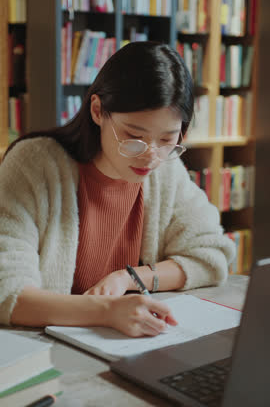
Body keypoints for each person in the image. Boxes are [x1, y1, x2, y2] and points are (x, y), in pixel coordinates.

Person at [0, 41, 235, 337]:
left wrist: (130, 278)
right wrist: (107, 312)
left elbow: (212, 256)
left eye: (166, 140)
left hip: (125, 345)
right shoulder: (34, 165)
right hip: (41, 354)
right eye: (134, 136)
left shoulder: (165, 171)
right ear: (98, 111)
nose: (150, 156)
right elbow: (7, 291)